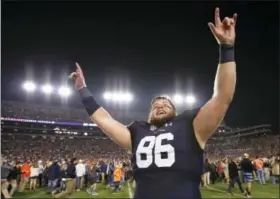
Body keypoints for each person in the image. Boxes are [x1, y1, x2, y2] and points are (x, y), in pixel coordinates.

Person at [69, 7, 237, 199]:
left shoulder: (191, 125)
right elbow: (104, 120)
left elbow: (222, 96)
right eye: (156, 105)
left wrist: (227, 48)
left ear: (175, 111)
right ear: (149, 113)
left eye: (166, 104)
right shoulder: (137, 132)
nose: (160, 106)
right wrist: (83, 90)